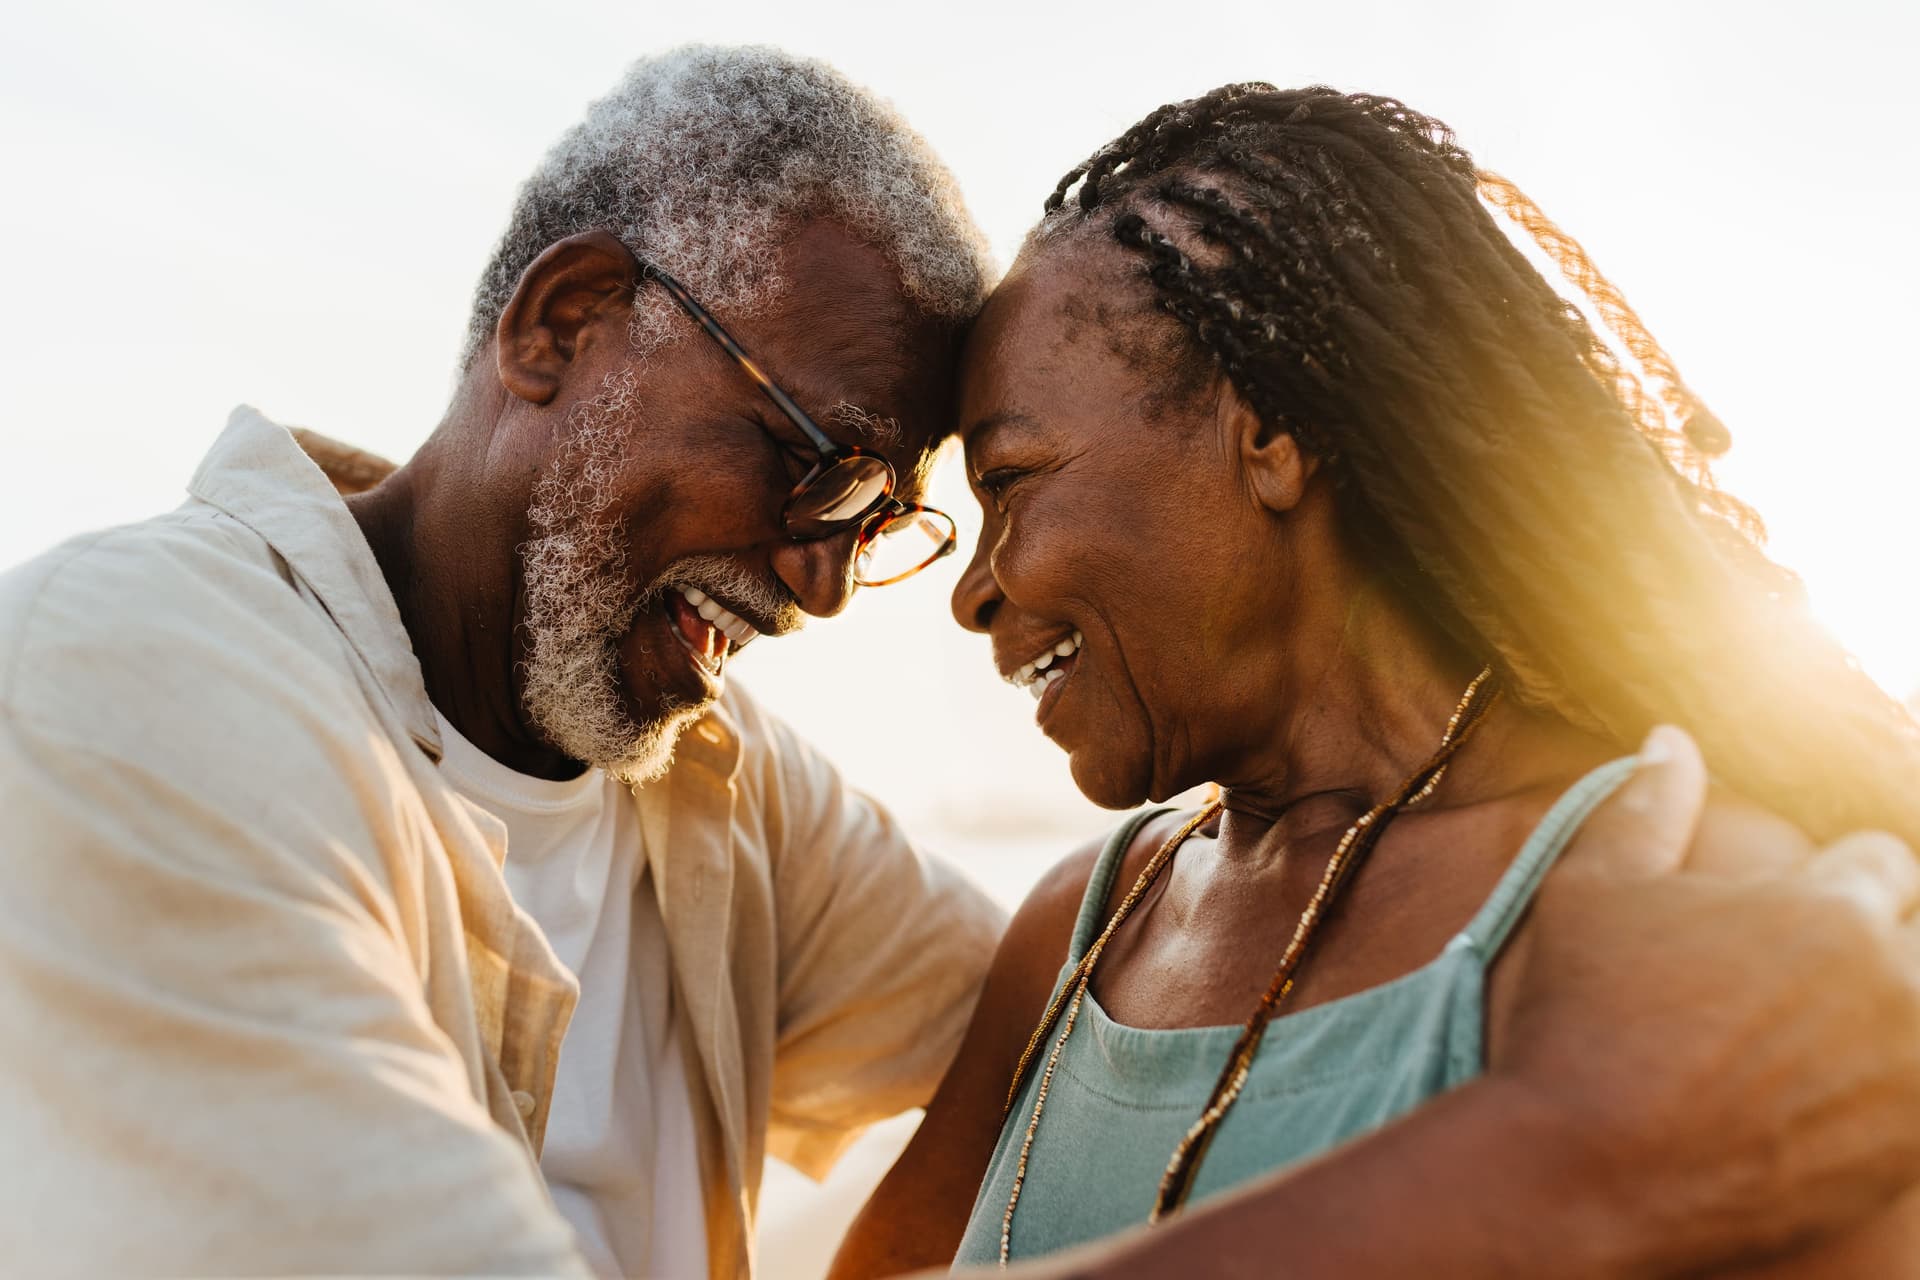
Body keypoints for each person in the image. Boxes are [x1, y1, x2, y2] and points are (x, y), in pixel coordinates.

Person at [1, 50, 1917, 1280]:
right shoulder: (128, 691)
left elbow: (1165, 1080)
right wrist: (1567, 1163)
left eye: (919, 499)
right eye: (814, 462)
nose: (856, 586)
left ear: (1269, 438)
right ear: (572, 321)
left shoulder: (736, 813)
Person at [831, 84, 1920, 1276]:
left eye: (1010, 479)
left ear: (1273, 436)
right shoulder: (1080, 932)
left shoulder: (1693, 911)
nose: (972, 589)